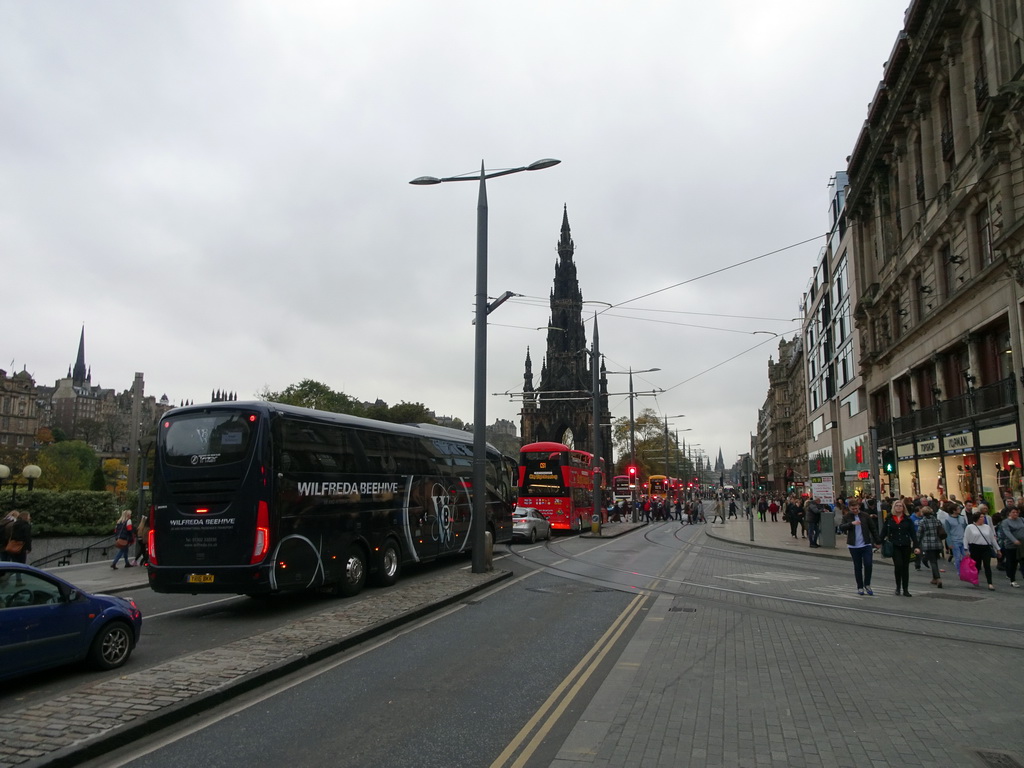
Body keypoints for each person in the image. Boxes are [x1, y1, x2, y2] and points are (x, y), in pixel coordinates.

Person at [838, 498, 880, 595]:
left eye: (856, 508)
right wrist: (851, 524)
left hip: (866, 544)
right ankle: (860, 587)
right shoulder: (847, 516)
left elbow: (873, 528)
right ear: (849, 508)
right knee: (857, 566)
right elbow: (841, 527)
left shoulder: (865, 516)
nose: (855, 511)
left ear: (859, 507)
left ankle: (867, 584)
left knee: (868, 564)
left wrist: (877, 541)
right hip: (854, 545)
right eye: (853, 509)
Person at [881, 499, 920, 596]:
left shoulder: (907, 520)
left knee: (905, 567)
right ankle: (898, 587)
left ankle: (905, 589)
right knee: (898, 565)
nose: (899, 507)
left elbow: (913, 534)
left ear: (903, 508)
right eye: (897, 506)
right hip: (894, 545)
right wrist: (878, 542)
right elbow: (883, 532)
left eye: (901, 506)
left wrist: (916, 546)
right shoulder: (889, 519)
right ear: (894, 507)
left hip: (905, 545)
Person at [964, 509, 1001, 590]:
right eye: (981, 517)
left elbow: (992, 539)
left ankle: (990, 583)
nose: (983, 519)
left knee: (987, 565)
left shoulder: (987, 527)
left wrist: (998, 549)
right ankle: (975, 579)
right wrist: (966, 549)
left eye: (983, 517)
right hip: (975, 547)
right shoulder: (970, 527)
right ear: (977, 518)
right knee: (976, 566)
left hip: (986, 548)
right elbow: (966, 538)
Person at [917, 506, 945, 588]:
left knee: (933, 561)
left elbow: (919, 534)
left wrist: (916, 543)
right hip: (937, 543)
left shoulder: (922, 522)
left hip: (928, 544)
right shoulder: (937, 520)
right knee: (935, 560)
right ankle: (934, 578)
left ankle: (938, 578)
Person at [997, 507, 1024, 588]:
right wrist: (1014, 540)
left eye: (1016, 512)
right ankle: (1012, 580)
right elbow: (1007, 532)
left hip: (1022, 545)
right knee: (1013, 563)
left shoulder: (1021, 519)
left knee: (1022, 561)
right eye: (1013, 512)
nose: (1015, 514)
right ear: (1009, 513)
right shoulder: (1005, 522)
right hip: (1011, 545)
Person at [942, 502, 967, 573]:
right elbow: (948, 532)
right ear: (954, 510)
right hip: (954, 540)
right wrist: (949, 543)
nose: (960, 510)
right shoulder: (948, 520)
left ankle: (965, 569)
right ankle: (959, 571)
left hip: (963, 539)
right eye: (958, 509)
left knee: (965, 556)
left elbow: (965, 529)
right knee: (957, 557)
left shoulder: (962, 518)